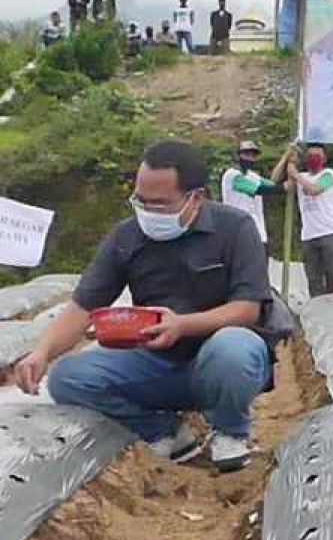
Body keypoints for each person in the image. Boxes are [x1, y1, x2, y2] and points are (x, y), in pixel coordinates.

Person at [7, 141, 275, 472]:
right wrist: (42, 352)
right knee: (68, 378)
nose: (148, 212)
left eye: (160, 205)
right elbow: (84, 305)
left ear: (197, 197)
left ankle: (230, 431)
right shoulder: (126, 237)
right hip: (156, 365)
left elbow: (248, 308)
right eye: (141, 201)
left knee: (233, 347)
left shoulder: (235, 229)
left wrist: (182, 325)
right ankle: (165, 433)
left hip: (222, 365)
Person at [275, 144, 333, 298]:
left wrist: (296, 176)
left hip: (329, 233)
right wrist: (287, 159)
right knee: (313, 279)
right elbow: (276, 182)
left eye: (317, 156)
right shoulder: (302, 177)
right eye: (310, 155)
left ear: (324, 159)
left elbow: (315, 190)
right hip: (309, 236)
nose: (314, 159)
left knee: (332, 275)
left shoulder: (328, 174)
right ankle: (317, 307)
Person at [221, 140, 286, 249]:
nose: (249, 158)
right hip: (238, 232)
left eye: (252, 155)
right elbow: (259, 189)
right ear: (238, 156)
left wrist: (285, 159)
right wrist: (284, 187)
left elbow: (271, 184)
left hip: (258, 231)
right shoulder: (232, 175)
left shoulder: (252, 176)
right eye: (246, 154)